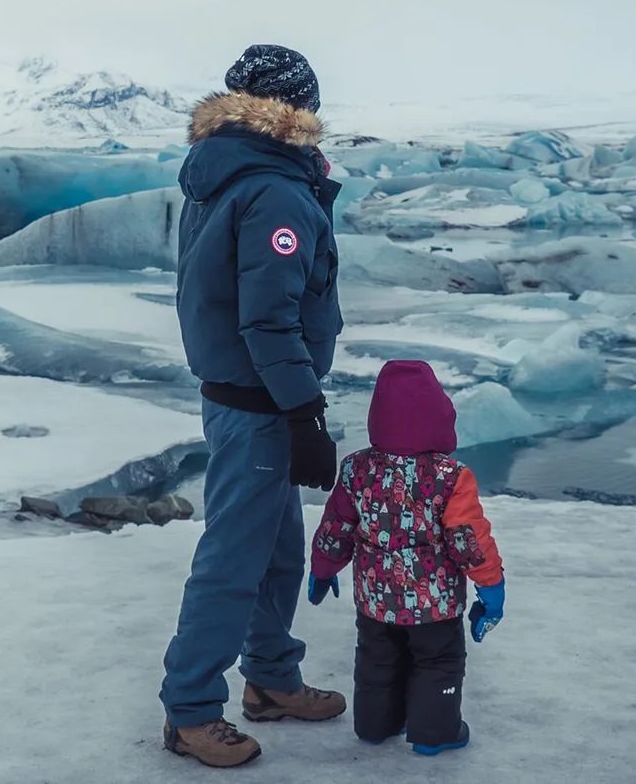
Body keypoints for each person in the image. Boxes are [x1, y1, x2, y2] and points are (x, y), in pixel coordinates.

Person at [160, 43, 347, 769]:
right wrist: (303, 412)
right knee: (234, 559)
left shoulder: (225, 174)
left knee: (276, 552)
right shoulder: (271, 190)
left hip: (243, 394)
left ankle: (270, 678)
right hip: (262, 401)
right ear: (296, 109)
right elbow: (268, 317)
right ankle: (192, 710)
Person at [307, 359, 505, 758]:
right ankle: (435, 732)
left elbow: (338, 524)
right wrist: (491, 584)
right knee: (437, 661)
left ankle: (375, 725)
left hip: (376, 600)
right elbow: (466, 537)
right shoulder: (451, 475)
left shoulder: (357, 468)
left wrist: (323, 567)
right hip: (435, 605)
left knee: (377, 661)